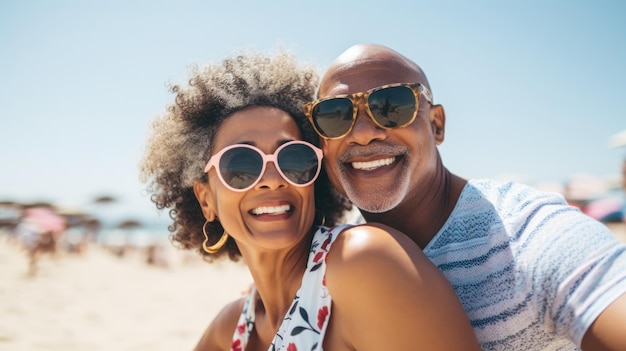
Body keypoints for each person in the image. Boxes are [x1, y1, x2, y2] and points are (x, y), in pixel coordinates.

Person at [139, 49, 480, 350]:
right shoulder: (231, 330)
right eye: (241, 164)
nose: (272, 180)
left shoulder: (364, 263)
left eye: (294, 159)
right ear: (205, 200)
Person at [303, 43, 626, 350]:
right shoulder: (329, 262)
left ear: (436, 124)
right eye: (335, 115)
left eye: (392, 106)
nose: (362, 132)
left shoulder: (526, 236)